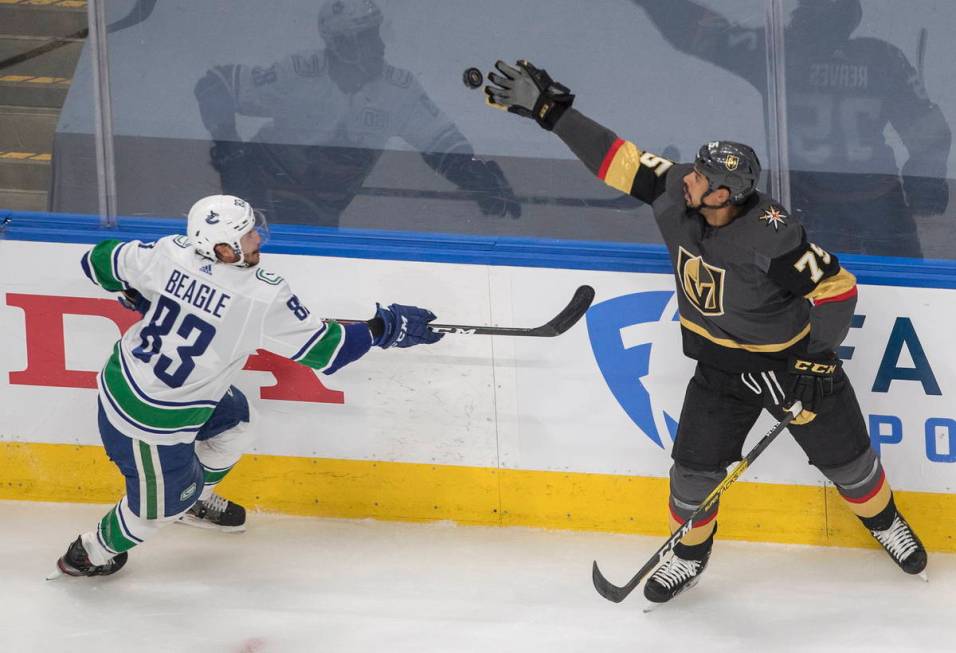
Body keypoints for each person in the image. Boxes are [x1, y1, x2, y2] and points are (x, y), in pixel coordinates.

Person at [483, 60, 927, 604]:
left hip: (790, 365)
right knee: (692, 475)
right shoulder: (674, 191)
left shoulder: (773, 236)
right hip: (720, 370)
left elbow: (836, 289)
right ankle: (690, 554)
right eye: (693, 170)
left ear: (724, 196)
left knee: (849, 462)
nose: (685, 178)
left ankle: (884, 523)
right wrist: (554, 113)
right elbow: (616, 159)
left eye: (700, 177)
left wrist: (818, 357)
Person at [53, 194, 443, 577]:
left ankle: (195, 499)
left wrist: (135, 294)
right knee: (156, 513)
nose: (257, 238)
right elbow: (328, 352)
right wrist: (386, 327)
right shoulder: (260, 294)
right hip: (149, 420)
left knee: (238, 424)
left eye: (253, 229)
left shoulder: (170, 251)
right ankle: (91, 552)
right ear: (220, 248)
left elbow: (98, 261)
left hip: (144, 378)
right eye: (246, 235)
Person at [631, 0, 951, 258]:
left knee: (801, 300)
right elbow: (928, 127)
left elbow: (702, 34)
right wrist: (927, 172)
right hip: (876, 207)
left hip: (810, 207)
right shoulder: (882, 57)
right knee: (905, 292)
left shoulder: (776, 51)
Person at [194, 0, 520, 228]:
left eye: (377, 34)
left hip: (320, 215)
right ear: (338, 44)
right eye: (365, 38)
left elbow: (442, 143)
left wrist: (478, 178)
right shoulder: (299, 72)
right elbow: (215, 85)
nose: (378, 45)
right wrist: (229, 153)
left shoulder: (399, 90)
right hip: (257, 199)